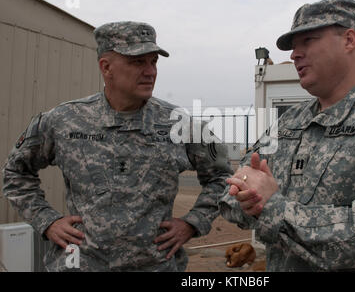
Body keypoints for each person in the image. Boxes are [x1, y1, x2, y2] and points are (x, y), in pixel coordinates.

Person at [219, 0, 355, 272]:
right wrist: (249, 198)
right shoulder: (292, 121)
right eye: (294, 48)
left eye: (308, 41)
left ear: (349, 40)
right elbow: (234, 190)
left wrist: (273, 209)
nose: (295, 55)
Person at [2, 21, 233, 271]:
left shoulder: (180, 125)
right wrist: (47, 221)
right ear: (106, 67)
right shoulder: (63, 120)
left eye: (153, 62)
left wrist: (193, 222)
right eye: (137, 62)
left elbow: (223, 178)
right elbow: (15, 172)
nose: (150, 71)